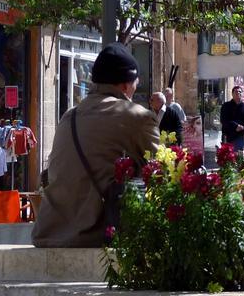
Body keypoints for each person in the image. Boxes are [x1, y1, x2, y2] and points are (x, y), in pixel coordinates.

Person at [33, 43, 159, 247]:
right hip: (99, 234)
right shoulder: (137, 116)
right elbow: (160, 171)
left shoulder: (69, 116)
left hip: (50, 233)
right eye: (136, 85)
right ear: (126, 86)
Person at [220, 86, 244, 152]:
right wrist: (236, 126)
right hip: (228, 134)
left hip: (240, 135)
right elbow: (223, 120)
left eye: (240, 92)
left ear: (242, 94)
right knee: (227, 156)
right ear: (232, 94)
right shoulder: (226, 106)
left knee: (237, 156)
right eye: (236, 92)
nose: (238, 93)